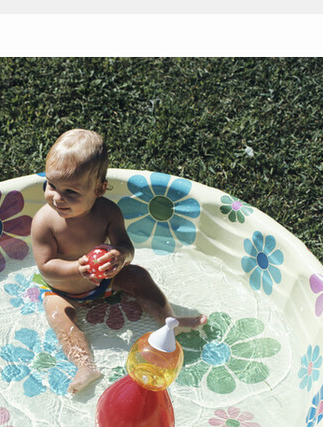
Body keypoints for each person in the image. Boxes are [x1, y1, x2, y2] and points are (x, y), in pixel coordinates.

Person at [31, 129, 207, 394]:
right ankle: (84, 364)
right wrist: (78, 269)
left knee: (138, 275)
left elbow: (126, 247)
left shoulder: (108, 212)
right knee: (58, 313)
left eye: (71, 192)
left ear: (99, 189)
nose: (57, 197)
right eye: (52, 185)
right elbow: (46, 268)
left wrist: (120, 257)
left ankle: (170, 321)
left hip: (104, 280)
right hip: (62, 287)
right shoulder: (44, 222)